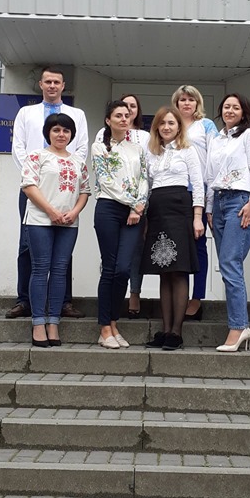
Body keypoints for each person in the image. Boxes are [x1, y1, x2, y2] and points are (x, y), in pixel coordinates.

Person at [7, 66, 89, 320]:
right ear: (41, 85)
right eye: (48, 81)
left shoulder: (76, 114)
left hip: (65, 189)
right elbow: (18, 148)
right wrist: (35, 177)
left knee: (63, 246)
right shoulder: (26, 113)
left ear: (63, 86)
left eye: (57, 82)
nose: (52, 86)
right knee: (27, 244)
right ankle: (25, 301)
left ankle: (63, 302)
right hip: (33, 189)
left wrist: (64, 174)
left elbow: (81, 149)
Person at [21, 113, 91, 347]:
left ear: (71, 135)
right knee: (41, 269)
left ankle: (53, 322)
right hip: (40, 220)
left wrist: (75, 212)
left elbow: (85, 191)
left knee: (60, 270)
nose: (61, 134)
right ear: (48, 133)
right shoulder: (37, 157)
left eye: (66, 131)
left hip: (68, 223)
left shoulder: (78, 161)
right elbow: (29, 187)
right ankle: (38, 323)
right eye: (56, 130)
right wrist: (51, 211)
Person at [142, 107, 204, 351]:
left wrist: (197, 217)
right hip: (157, 210)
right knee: (163, 270)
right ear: (156, 127)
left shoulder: (188, 150)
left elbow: (197, 185)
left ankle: (177, 332)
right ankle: (165, 330)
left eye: (171, 123)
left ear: (179, 126)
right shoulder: (151, 152)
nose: (166, 127)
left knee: (178, 270)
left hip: (180, 209)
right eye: (162, 123)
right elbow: (146, 186)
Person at [206, 94, 250, 353]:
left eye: (235, 107)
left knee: (230, 263)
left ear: (244, 112)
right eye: (226, 107)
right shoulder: (216, 139)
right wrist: (209, 209)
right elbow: (211, 177)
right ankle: (240, 325)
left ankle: (239, 327)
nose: (230, 110)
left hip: (240, 201)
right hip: (218, 202)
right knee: (227, 265)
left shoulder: (248, 135)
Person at [91, 101, 149, 349]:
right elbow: (105, 181)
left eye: (127, 115)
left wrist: (138, 206)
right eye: (118, 116)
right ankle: (105, 328)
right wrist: (133, 203)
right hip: (109, 208)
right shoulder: (99, 147)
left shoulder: (137, 148)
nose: (124, 119)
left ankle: (113, 322)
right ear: (108, 120)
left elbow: (145, 178)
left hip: (135, 212)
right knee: (110, 268)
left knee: (124, 269)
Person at [171, 85, 218, 320]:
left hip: (200, 191)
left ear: (197, 103)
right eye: (182, 100)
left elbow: (215, 159)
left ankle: (197, 297)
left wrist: (210, 198)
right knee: (178, 247)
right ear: (176, 103)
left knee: (199, 245)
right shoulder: (171, 125)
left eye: (191, 99)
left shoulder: (206, 125)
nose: (187, 103)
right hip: (175, 192)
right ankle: (178, 296)